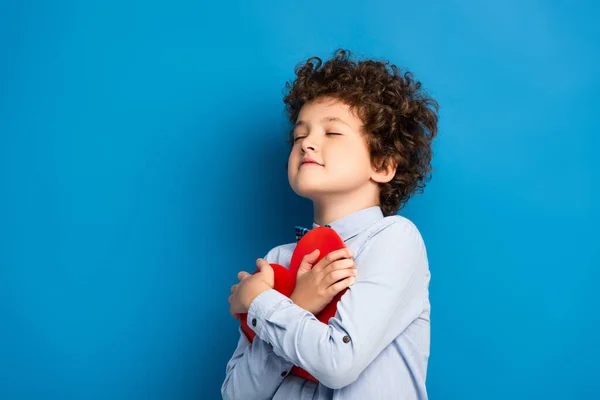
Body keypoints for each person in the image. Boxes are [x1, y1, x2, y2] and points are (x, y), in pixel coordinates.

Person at [222, 49, 439, 399]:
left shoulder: (395, 240)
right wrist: (296, 304)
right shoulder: (277, 260)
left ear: (382, 165)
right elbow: (237, 394)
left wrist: (263, 301)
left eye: (332, 134)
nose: (307, 143)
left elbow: (339, 362)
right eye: (298, 136)